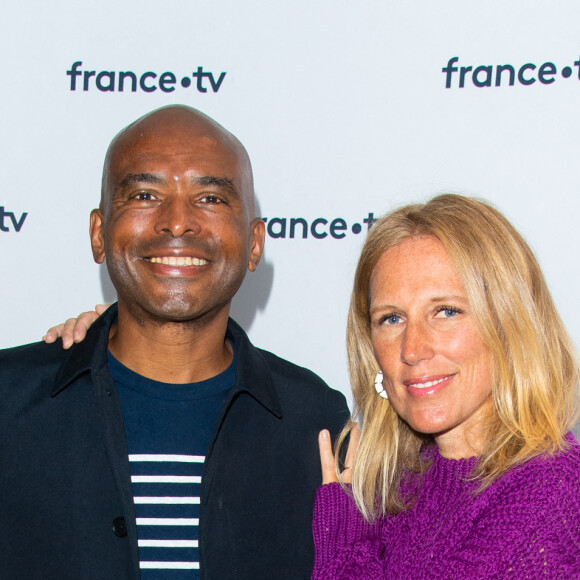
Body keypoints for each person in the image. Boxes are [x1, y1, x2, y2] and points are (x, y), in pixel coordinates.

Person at [0, 105, 349, 580]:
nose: (178, 222)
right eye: (145, 193)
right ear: (99, 234)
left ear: (254, 245)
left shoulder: (318, 426)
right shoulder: (9, 405)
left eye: (210, 198)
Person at [314, 194, 580, 578]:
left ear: (509, 327)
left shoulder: (550, 490)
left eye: (446, 312)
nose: (412, 350)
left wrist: (344, 550)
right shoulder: (396, 488)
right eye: (391, 319)